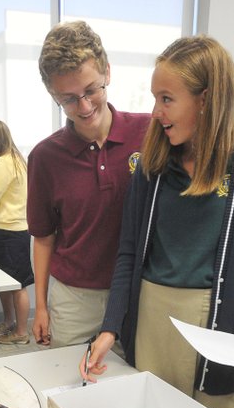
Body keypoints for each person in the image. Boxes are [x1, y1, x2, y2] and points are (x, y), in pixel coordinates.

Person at [80, 36, 234, 408]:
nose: (155, 113)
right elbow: (129, 254)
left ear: (205, 100)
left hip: (217, 323)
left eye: (166, 99)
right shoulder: (150, 165)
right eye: (155, 98)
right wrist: (110, 326)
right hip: (153, 317)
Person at [27, 20, 150, 348]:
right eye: (68, 99)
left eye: (91, 90)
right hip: (75, 297)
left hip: (140, 290)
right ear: (53, 94)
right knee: (72, 384)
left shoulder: (149, 134)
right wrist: (40, 307)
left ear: (107, 72)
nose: (84, 107)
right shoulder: (44, 157)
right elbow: (43, 239)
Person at [0, 119, 34, 345]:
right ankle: (9, 322)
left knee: (17, 284)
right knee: (5, 281)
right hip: (12, 229)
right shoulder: (16, 160)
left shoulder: (3, 162)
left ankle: (21, 332)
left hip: (11, 231)